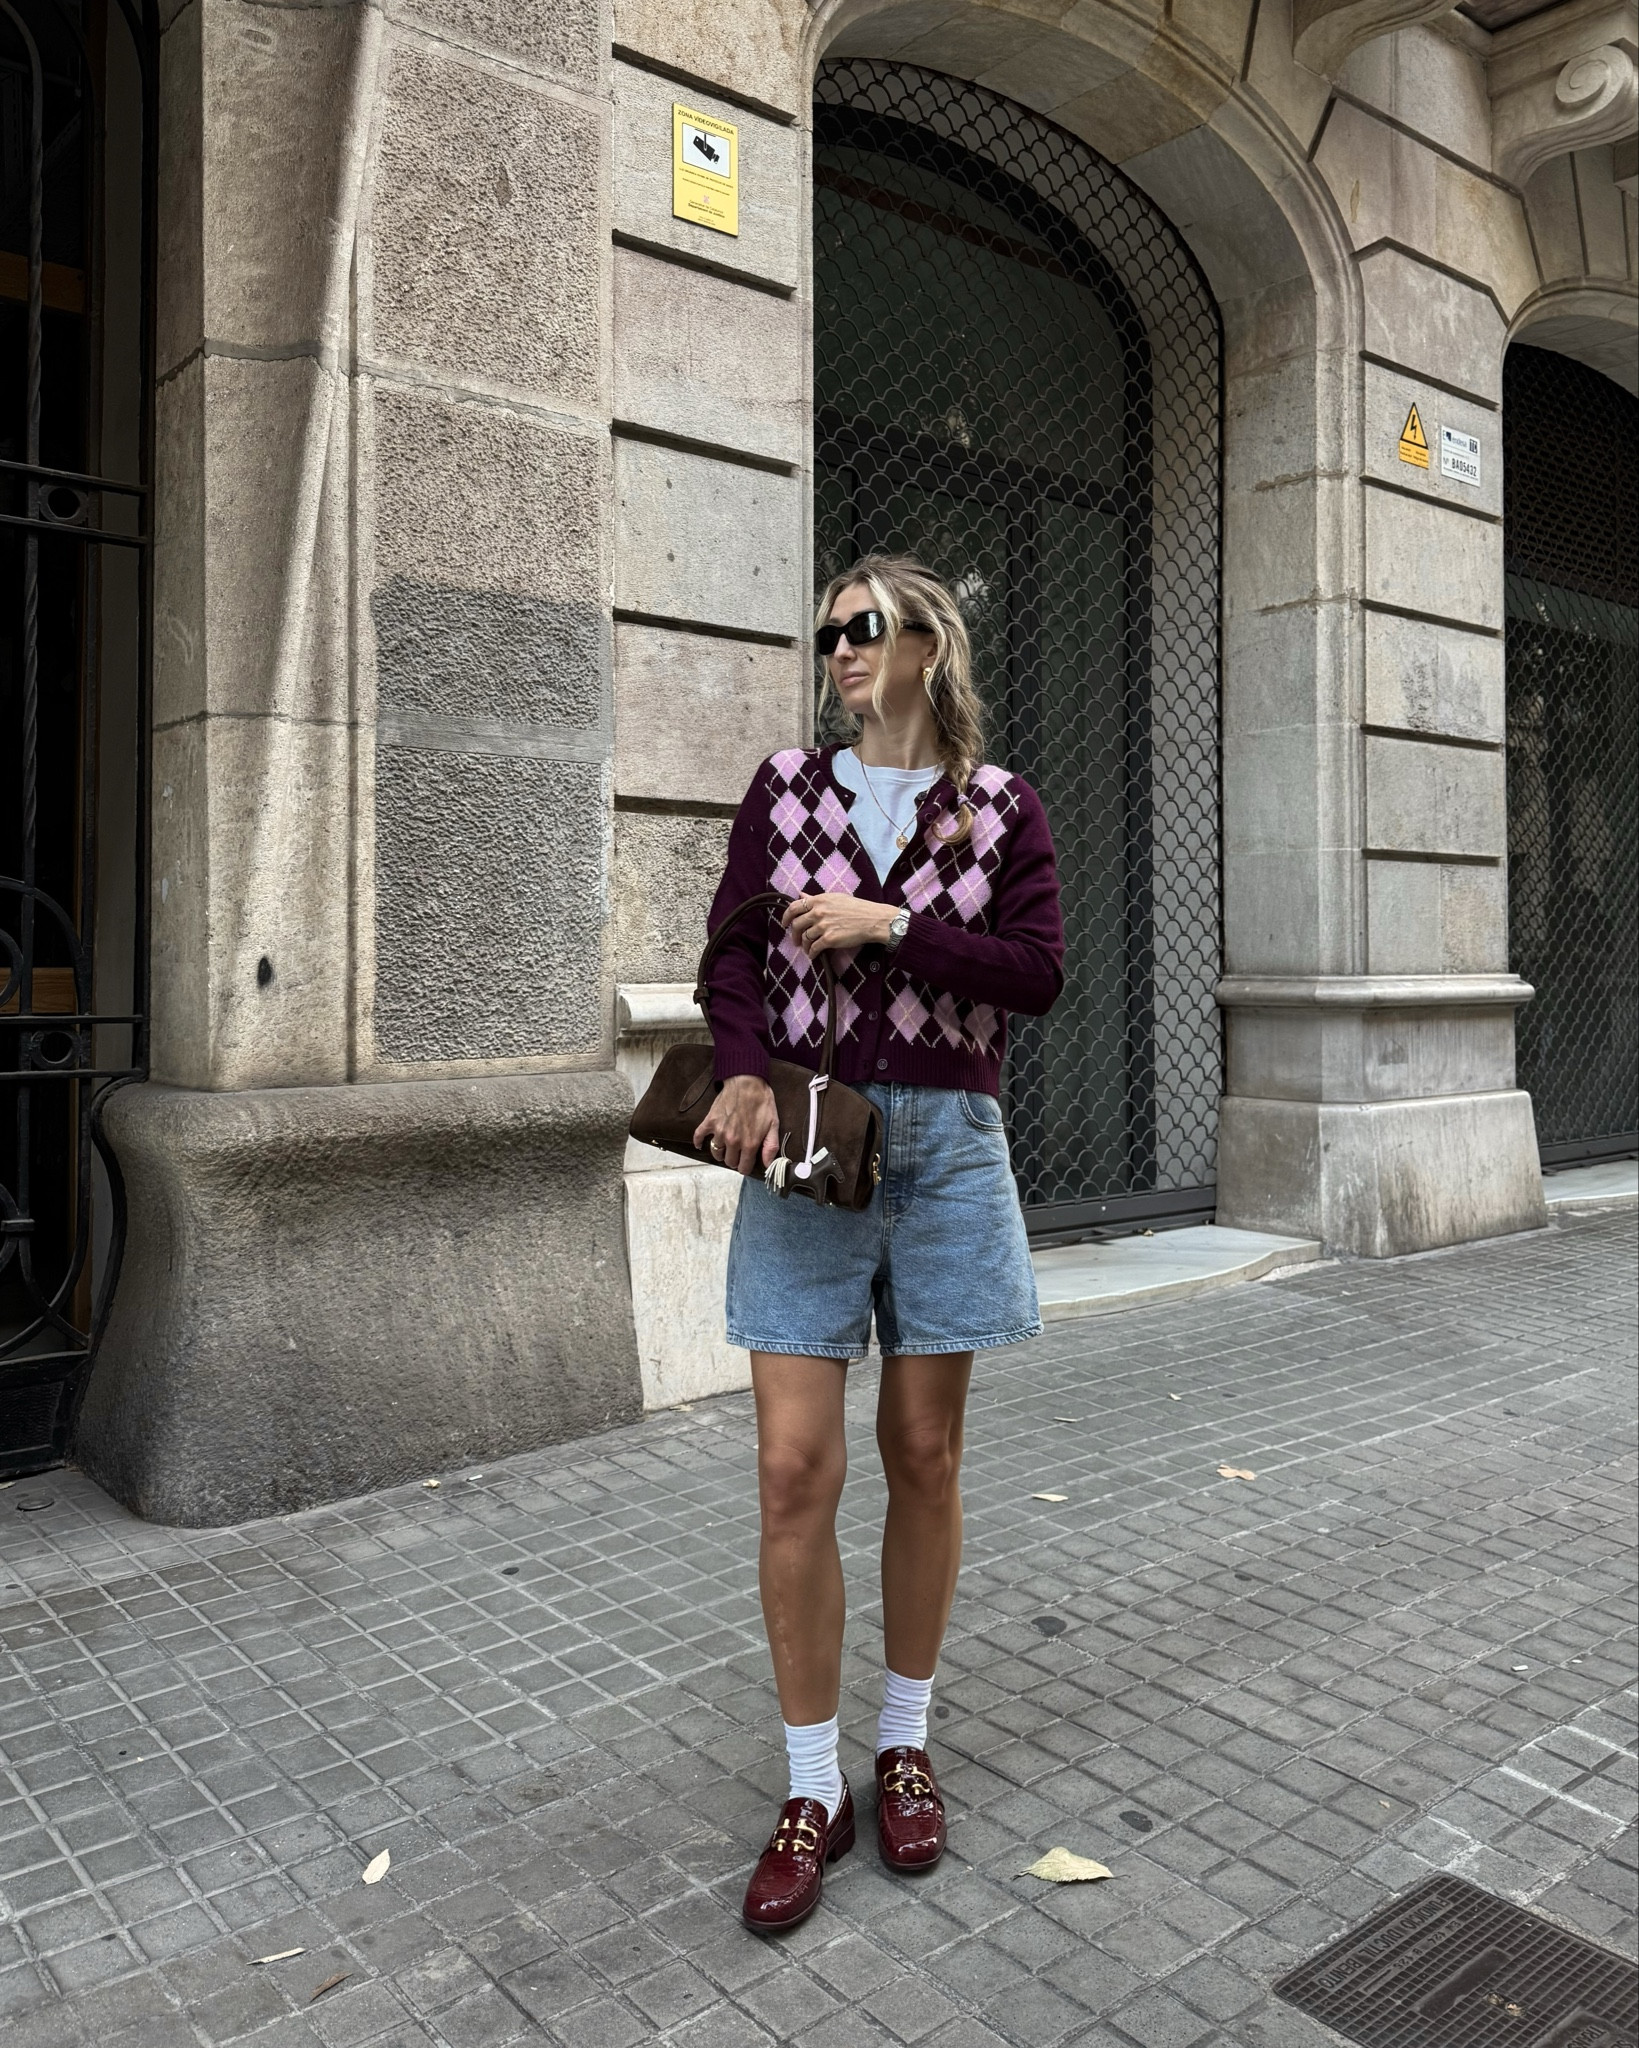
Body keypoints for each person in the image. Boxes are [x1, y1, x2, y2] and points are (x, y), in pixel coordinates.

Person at [694, 553, 1065, 1933]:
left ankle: (903, 1743)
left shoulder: (1000, 806)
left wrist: (892, 924)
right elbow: (733, 955)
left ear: (926, 644)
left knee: (925, 1454)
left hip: (952, 1148)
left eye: (863, 627)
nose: (841, 650)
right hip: (810, 1142)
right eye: (828, 634)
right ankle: (812, 1786)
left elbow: (1038, 972)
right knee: (793, 1469)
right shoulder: (787, 790)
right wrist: (742, 1069)